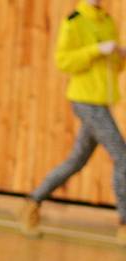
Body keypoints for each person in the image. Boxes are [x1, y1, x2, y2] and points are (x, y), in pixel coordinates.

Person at [22, 0, 126, 245]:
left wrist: (119, 55)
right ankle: (124, 223)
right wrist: (96, 50)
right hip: (84, 100)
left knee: (76, 160)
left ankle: (33, 201)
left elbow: (114, 68)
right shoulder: (74, 22)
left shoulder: (107, 20)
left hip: (101, 100)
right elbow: (63, 61)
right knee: (122, 157)